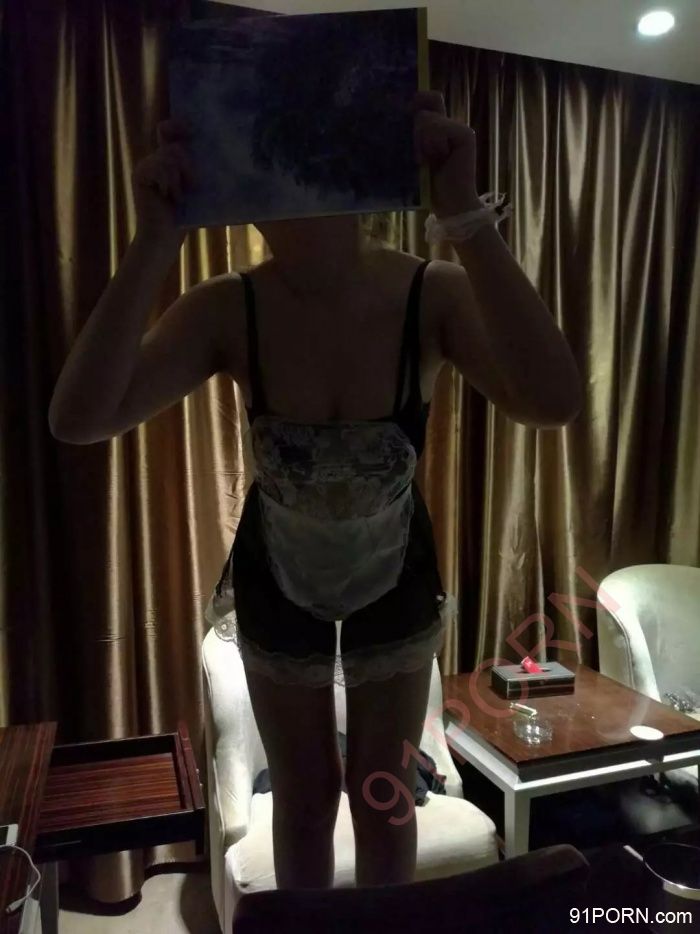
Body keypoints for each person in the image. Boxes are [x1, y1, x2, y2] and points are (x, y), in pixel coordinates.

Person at [48, 91, 582, 891]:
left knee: (385, 797)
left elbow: (554, 400)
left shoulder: (429, 293)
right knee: (302, 797)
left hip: (395, 570)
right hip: (277, 574)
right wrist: (155, 239)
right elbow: (79, 419)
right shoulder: (229, 307)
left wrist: (466, 216)